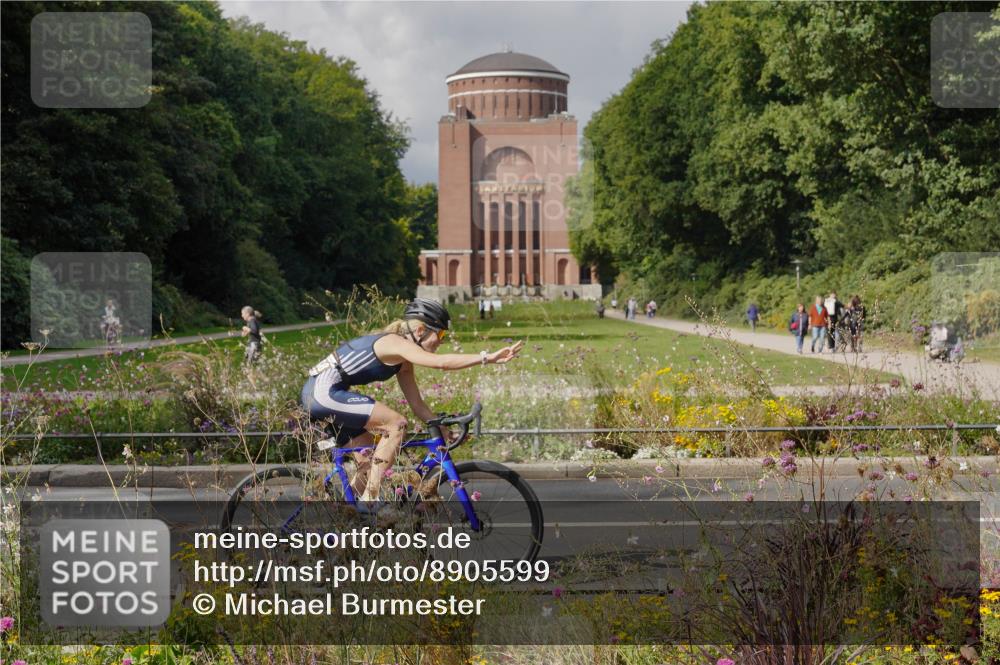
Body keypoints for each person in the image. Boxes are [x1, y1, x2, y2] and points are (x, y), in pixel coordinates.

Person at [300, 298, 523, 510]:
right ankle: (370, 500)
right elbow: (441, 363)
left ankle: (348, 517)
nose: (442, 341)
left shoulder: (402, 362)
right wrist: (487, 357)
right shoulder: (394, 343)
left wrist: (440, 427)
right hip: (322, 393)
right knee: (396, 424)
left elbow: (416, 404)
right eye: (441, 333)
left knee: (369, 462)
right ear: (420, 331)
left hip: (328, 394)